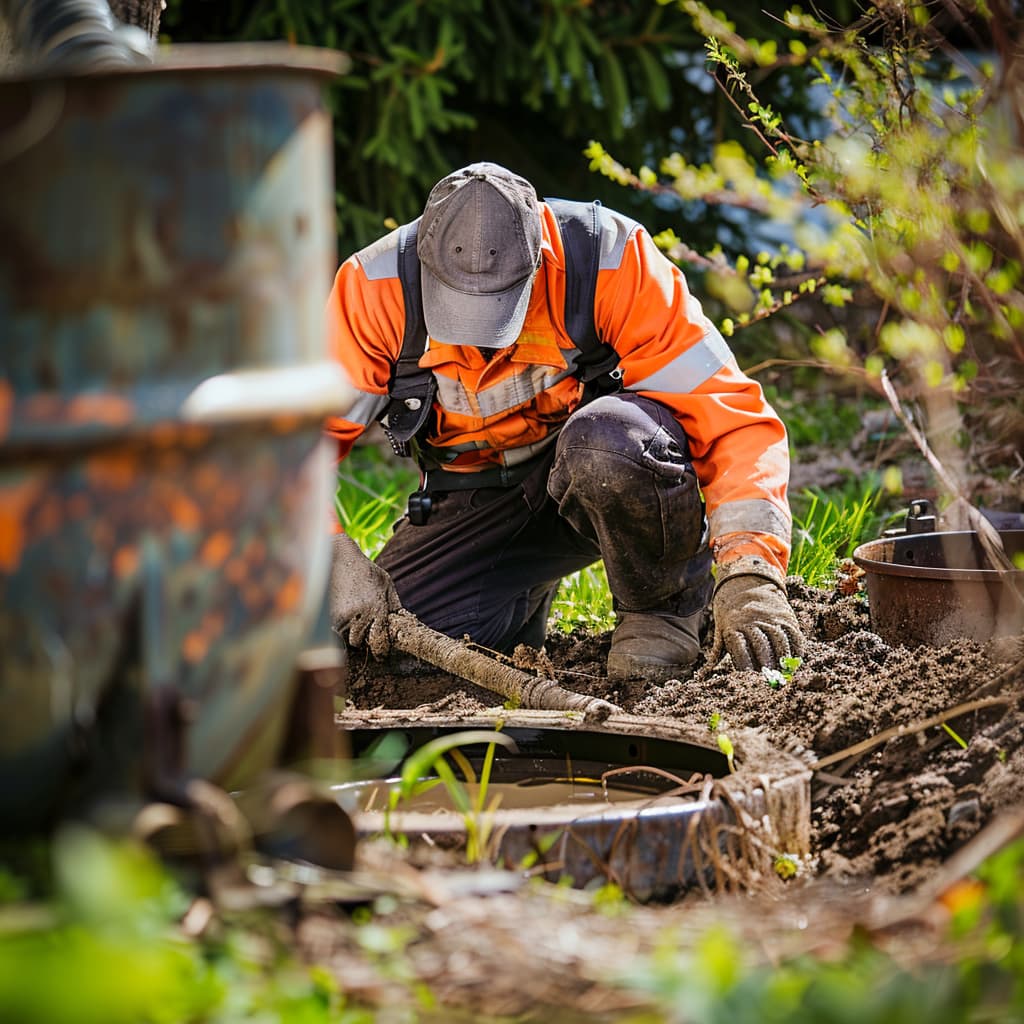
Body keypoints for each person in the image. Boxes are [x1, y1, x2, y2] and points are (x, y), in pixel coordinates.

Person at [324, 161, 804, 682]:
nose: (480, 339)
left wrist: (750, 571)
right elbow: (289, 452)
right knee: (387, 659)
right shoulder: (373, 288)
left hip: (609, 472)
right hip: (477, 497)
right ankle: (514, 605)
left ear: (539, 261)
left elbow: (729, 416)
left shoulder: (611, 262)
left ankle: (663, 608)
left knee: (607, 444)